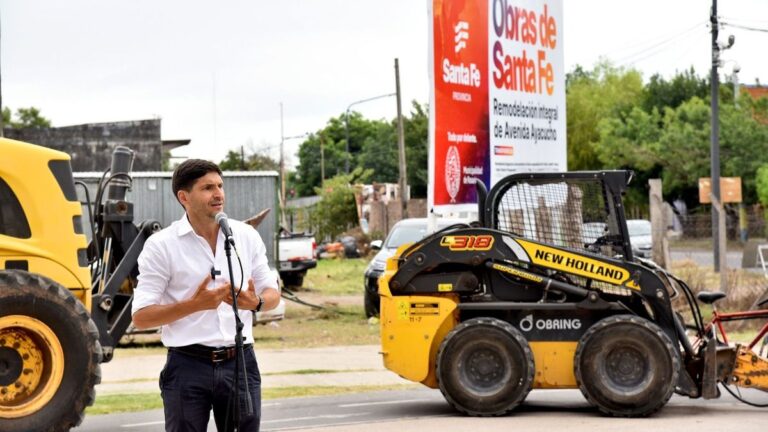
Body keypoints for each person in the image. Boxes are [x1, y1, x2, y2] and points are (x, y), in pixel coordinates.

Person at [131, 159, 280, 432]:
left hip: (240, 363)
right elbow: (141, 317)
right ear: (184, 197)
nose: (218, 194)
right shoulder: (161, 245)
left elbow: (272, 293)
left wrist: (255, 302)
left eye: (220, 186)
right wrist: (195, 305)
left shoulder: (245, 236)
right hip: (187, 365)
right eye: (208, 188)